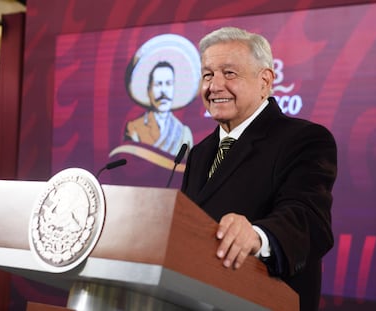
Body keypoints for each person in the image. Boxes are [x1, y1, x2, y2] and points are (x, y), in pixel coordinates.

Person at [181, 27, 337, 311]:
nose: (214, 86)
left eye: (229, 73)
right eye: (207, 75)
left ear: (265, 81)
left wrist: (257, 236)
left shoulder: (303, 139)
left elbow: (309, 219)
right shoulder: (200, 153)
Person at [124, 61, 193, 156]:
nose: (163, 91)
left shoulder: (184, 133)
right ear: (149, 90)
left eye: (168, 84)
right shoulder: (134, 128)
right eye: (158, 84)